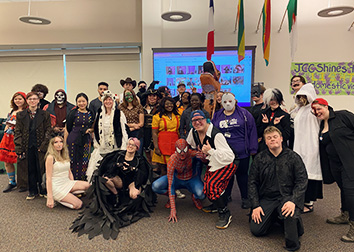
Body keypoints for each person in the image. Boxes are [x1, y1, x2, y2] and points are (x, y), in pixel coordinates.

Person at [70, 138, 156, 240]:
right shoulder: (119, 156)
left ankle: (131, 201)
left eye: (133, 145)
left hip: (131, 182)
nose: (130, 146)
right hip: (120, 180)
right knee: (106, 179)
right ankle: (116, 195)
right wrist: (117, 166)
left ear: (136, 148)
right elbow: (109, 170)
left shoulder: (140, 160)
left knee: (134, 195)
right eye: (129, 144)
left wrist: (133, 170)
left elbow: (143, 175)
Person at [248, 126, 308, 251]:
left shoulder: (293, 157)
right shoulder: (259, 158)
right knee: (257, 230)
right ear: (265, 141)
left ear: (281, 139)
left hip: (287, 198)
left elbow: (302, 181)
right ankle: (276, 216)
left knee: (291, 224)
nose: (272, 140)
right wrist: (255, 205)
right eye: (269, 138)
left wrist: (293, 201)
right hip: (267, 198)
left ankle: (294, 224)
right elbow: (252, 182)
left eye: (275, 137)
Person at [311, 98, 354, 242]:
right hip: (335, 165)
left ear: (326, 106)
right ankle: (345, 214)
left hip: (349, 162)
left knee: (350, 191)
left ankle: (353, 227)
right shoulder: (321, 126)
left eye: (319, 108)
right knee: (344, 189)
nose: (317, 112)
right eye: (314, 110)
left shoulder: (343, 116)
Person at [187, 110, 236, 229]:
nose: (198, 122)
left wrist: (210, 151)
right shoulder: (193, 132)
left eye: (200, 119)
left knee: (212, 186)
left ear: (206, 120)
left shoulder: (216, 135)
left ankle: (224, 212)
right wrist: (198, 153)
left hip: (226, 164)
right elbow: (191, 146)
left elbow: (230, 156)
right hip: (213, 163)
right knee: (207, 187)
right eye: (194, 120)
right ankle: (216, 205)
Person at [212, 92, 258, 209]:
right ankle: (226, 196)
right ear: (221, 103)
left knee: (242, 176)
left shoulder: (245, 114)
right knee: (227, 176)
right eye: (225, 101)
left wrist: (253, 148)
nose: (228, 103)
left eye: (230, 101)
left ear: (235, 101)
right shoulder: (217, 115)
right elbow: (212, 132)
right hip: (224, 153)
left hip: (242, 152)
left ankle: (245, 198)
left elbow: (252, 131)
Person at [152, 139, 205, 222]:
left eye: (185, 150)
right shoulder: (172, 161)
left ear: (188, 149)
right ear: (175, 150)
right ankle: (171, 197)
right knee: (156, 186)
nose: (182, 153)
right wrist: (173, 210)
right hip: (177, 179)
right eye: (179, 150)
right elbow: (170, 184)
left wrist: (202, 157)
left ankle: (195, 197)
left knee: (201, 194)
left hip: (190, 179)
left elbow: (203, 160)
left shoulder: (192, 154)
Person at [14, 92, 52, 199]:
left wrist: (44, 145)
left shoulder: (45, 114)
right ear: (27, 101)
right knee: (29, 168)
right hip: (27, 145)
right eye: (30, 99)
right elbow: (18, 132)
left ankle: (43, 190)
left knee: (42, 168)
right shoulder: (20, 115)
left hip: (41, 145)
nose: (32, 101)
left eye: (35, 99)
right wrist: (19, 147)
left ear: (38, 100)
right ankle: (32, 191)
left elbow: (48, 131)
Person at [86, 90, 129, 182]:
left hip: (115, 146)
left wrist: (123, 146)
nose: (108, 102)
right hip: (103, 146)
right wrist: (97, 143)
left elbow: (123, 131)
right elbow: (97, 130)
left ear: (113, 101)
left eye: (110, 100)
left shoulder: (119, 113)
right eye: (106, 100)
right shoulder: (100, 113)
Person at [293, 84, 322, 213]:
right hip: (299, 144)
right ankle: (301, 200)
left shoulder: (315, 108)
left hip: (311, 144)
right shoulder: (299, 110)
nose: (301, 99)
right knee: (299, 172)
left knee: (310, 172)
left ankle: (309, 202)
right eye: (300, 96)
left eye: (304, 96)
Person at [45, 136, 90, 209]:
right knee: (78, 205)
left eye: (61, 142)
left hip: (66, 182)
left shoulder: (64, 155)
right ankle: (58, 198)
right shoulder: (50, 157)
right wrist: (50, 197)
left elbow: (69, 172)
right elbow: (48, 178)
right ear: (52, 145)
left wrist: (73, 184)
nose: (59, 144)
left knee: (89, 185)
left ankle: (68, 195)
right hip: (57, 186)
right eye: (56, 142)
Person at [0, 92, 28, 193]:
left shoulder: (26, 111)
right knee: (7, 162)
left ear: (24, 100)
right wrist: (6, 130)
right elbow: (7, 124)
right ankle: (12, 182)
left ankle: (24, 183)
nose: (18, 101)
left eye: (20, 99)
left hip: (19, 139)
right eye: (16, 99)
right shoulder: (12, 111)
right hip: (7, 139)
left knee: (21, 162)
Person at [65, 93, 94, 181]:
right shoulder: (73, 113)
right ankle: (72, 182)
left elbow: (93, 127)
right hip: (73, 139)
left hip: (85, 140)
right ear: (76, 103)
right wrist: (65, 142)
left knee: (84, 161)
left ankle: (81, 182)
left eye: (83, 101)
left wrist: (89, 130)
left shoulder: (91, 113)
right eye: (79, 101)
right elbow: (67, 128)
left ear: (87, 102)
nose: (81, 103)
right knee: (73, 161)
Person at [152, 97, 180, 176]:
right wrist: (156, 147)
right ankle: (165, 186)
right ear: (163, 105)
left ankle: (173, 186)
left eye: (171, 104)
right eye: (167, 104)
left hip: (175, 143)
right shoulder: (157, 117)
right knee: (164, 168)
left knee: (174, 167)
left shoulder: (178, 116)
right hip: (162, 144)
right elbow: (154, 133)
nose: (169, 105)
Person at [142, 89, 160, 162]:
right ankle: (149, 167)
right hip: (145, 131)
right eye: (150, 96)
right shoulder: (143, 108)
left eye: (154, 96)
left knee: (154, 149)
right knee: (146, 149)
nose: (152, 97)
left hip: (156, 131)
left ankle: (155, 168)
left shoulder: (160, 108)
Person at [289, 75, 306, 149]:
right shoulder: (294, 99)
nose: (295, 83)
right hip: (294, 129)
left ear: (303, 84)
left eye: (297, 81)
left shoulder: (306, 97)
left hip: (303, 130)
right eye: (293, 82)